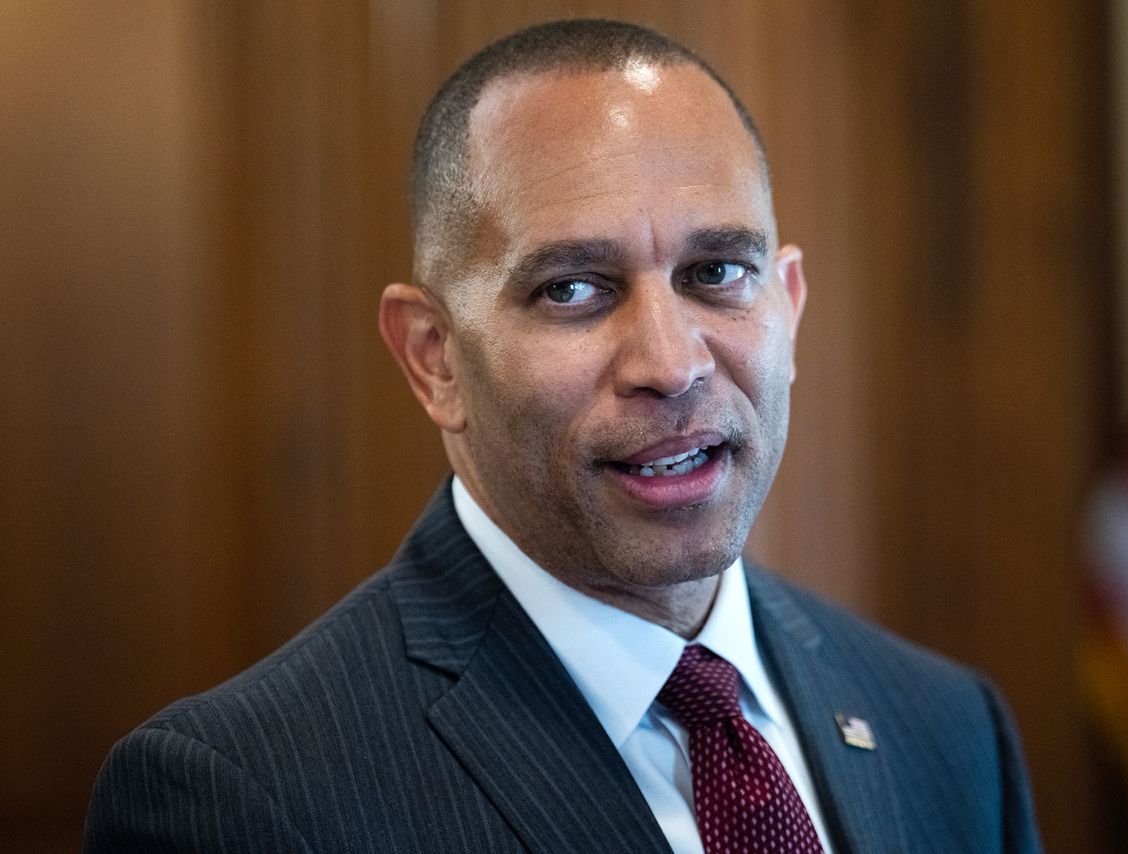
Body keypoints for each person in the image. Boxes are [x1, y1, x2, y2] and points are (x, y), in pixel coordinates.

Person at [85, 19, 1040, 853]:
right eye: (572, 290)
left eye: (715, 272)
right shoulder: (238, 800)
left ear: (788, 308)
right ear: (435, 359)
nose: (670, 364)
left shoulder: (949, 731)